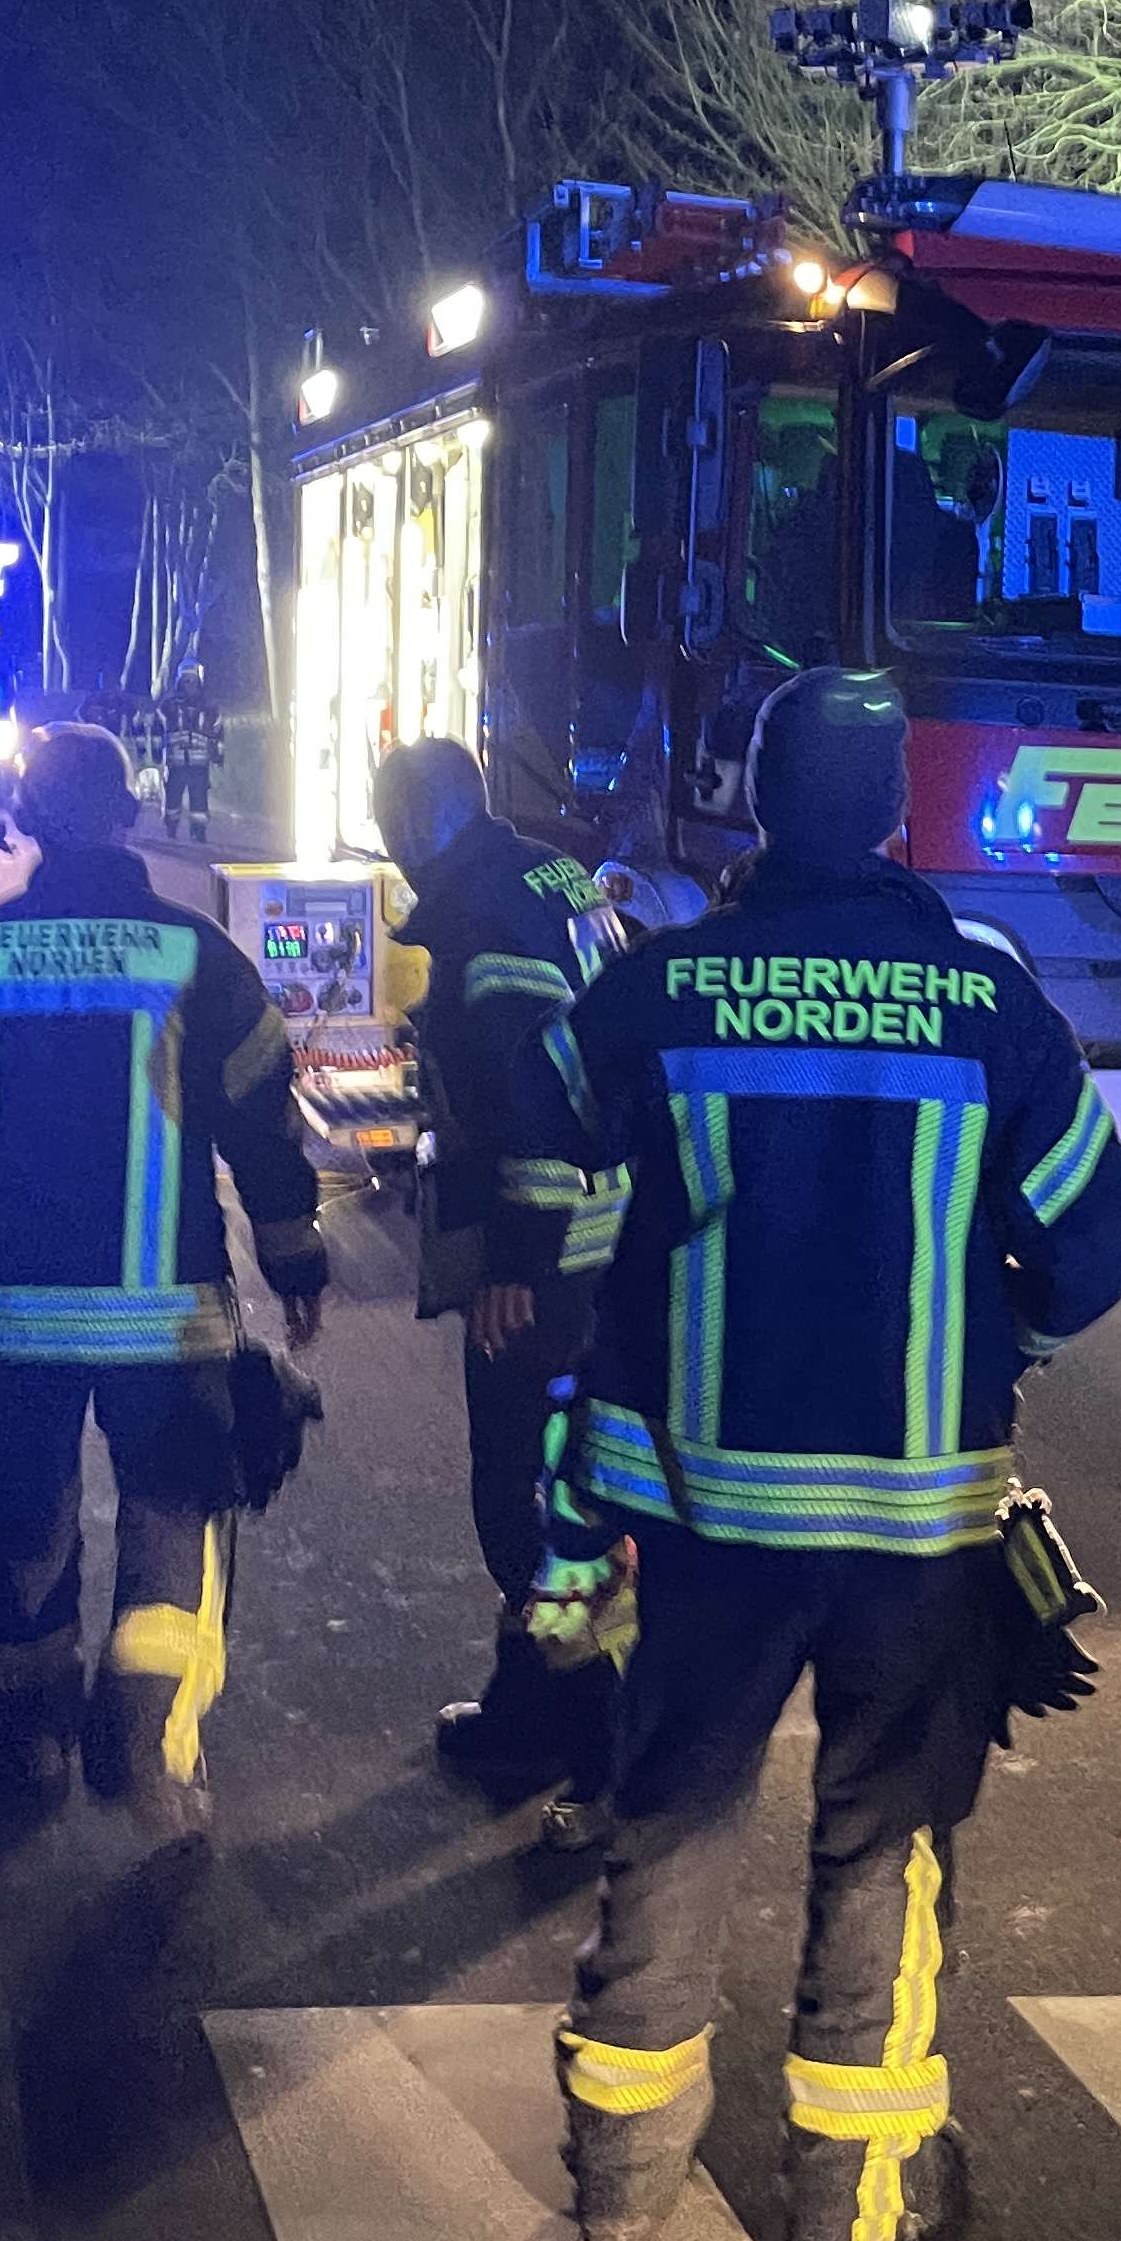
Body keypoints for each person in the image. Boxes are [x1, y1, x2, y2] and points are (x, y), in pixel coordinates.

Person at [537, 669, 1121, 2241]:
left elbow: (555, 1153)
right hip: (915, 1525)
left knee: (670, 1817)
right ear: (890, 810)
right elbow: (1090, 1250)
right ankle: (841, 2203)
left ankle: (620, 2176)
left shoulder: (659, 987)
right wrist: (981, 1316)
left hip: (712, 1514)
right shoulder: (983, 998)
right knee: (885, 1844)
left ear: (747, 795)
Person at [0, 723, 330, 1844]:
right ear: (123, 816)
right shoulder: (196, 955)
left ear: (21, 820)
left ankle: (25, 1749)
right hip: (171, 1319)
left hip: (16, 1322)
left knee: (21, 1523)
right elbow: (264, 1119)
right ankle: (149, 1737)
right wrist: (295, 1255)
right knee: (174, 1510)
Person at [367, 736, 635, 1801]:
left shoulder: (482, 915)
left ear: (422, 824)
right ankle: (527, 1708)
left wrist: (514, 1260)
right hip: (605, 1230)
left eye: (395, 827)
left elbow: (527, 1086)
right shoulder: (543, 871)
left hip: (550, 1250)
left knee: (519, 1498)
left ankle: (595, 1729)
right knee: (557, 1476)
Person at [163, 664, 218, 842]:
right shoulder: (169, 705)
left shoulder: (209, 707)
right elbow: (158, 726)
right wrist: (156, 755)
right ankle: (171, 827)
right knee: (173, 797)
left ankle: (199, 830)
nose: (189, 685)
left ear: (199, 682)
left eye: (193, 681)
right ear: (179, 682)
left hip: (200, 764)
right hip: (176, 761)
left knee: (199, 800)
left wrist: (218, 755)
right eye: (186, 681)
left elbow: (218, 731)